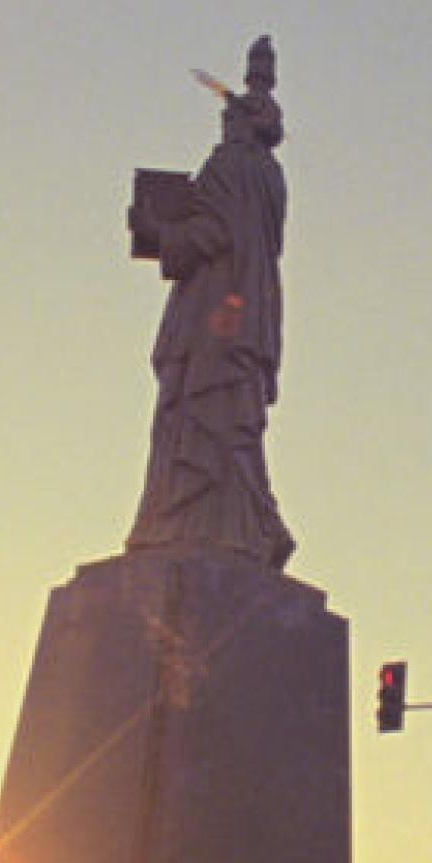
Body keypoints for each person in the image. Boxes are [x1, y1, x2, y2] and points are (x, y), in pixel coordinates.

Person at [126, 36, 295, 570]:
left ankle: (205, 523)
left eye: (230, 119)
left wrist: (157, 230)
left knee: (199, 414)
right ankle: (254, 525)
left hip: (214, 316)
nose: (223, 126)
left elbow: (216, 232)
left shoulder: (230, 167)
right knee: (231, 418)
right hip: (247, 316)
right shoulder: (271, 177)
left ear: (245, 124)